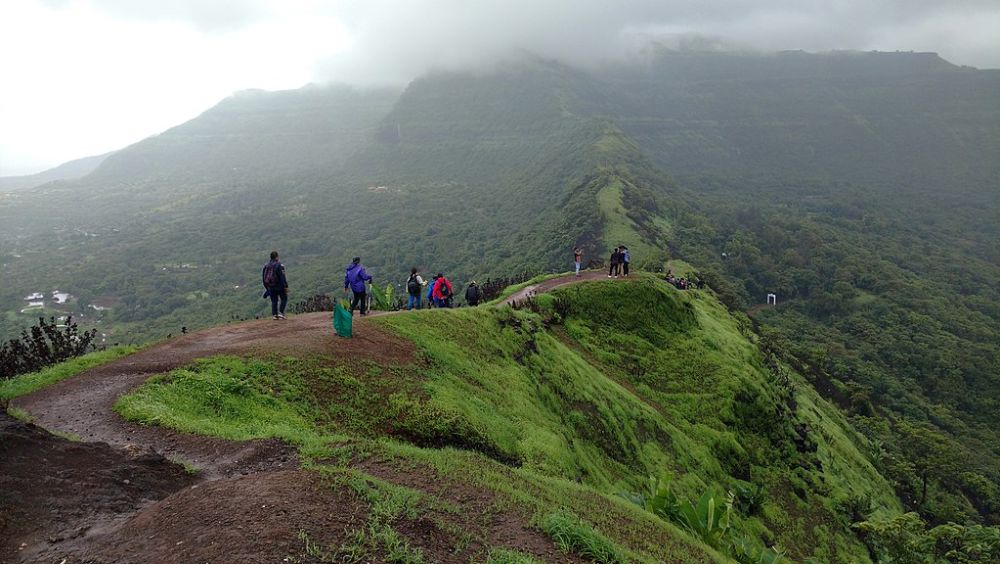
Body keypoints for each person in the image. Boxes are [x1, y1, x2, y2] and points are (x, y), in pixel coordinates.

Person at [262, 251, 288, 320]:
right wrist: (285, 286)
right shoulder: (279, 265)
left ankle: (274, 315)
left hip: (270, 286)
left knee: (274, 301)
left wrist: (267, 288)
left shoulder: (266, 265)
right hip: (279, 286)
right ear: (277, 257)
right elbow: (282, 276)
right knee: (284, 298)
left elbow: (264, 278)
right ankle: (281, 313)